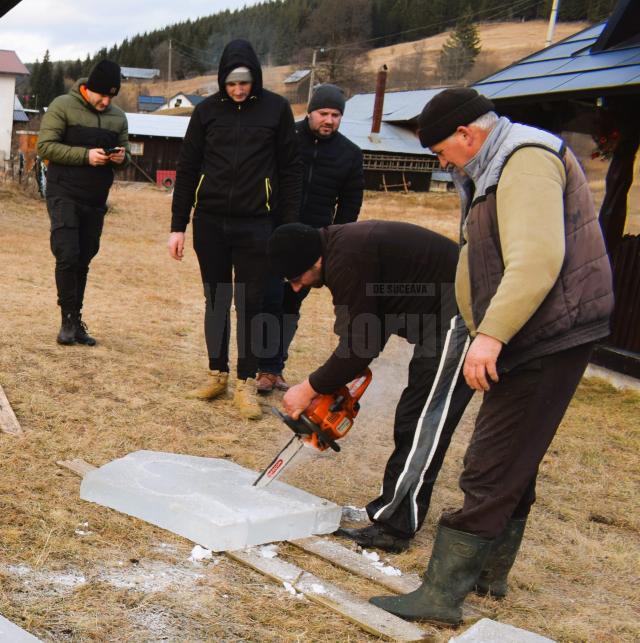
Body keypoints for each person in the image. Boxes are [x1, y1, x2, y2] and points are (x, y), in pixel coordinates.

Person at [370, 88, 614, 625]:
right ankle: (489, 573)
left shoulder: (523, 161)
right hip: (531, 329)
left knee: (491, 458)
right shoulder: (492, 164)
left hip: (546, 332)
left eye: (440, 150)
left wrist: (491, 334)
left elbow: (537, 259)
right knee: (515, 456)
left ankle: (441, 595)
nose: (440, 161)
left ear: (466, 134)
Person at [268, 220, 474, 553]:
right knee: (412, 416)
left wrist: (308, 387)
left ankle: (395, 527)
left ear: (313, 261)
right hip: (440, 316)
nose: (295, 288)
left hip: (461, 313)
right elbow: (359, 330)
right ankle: (390, 508)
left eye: (296, 279)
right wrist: (331, 382)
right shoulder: (339, 250)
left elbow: (360, 346)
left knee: (422, 421)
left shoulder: (347, 257)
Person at [168, 39, 302, 420]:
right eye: (231, 84)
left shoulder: (276, 110)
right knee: (216, 299)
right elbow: (188, 168)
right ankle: (217, 374)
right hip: (210, 222)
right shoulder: (206, 112)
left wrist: (288, 226)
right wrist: (178, 225)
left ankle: (245, 382)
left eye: (245, 83)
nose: (239, 90)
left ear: (255, 79)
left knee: (251, 302)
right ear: (221, 81)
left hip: (258, 224)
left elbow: (292, 171)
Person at [256, 84, 364, 394]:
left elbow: (349, 206)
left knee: (291, 303)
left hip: (313, 243)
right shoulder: (285, 139)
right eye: (323, 113)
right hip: (275, 234)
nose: (329, 120)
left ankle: (275, 367)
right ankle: (265, 367)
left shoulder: (350, 155)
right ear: (310, 112)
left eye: (336, 115)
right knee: (270, 299)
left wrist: (333, 246)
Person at [37, 59, 129, 346]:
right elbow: (45, 146)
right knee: (67, 252)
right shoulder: (62, 106)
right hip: (63, 192)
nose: (106, 101)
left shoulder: (118, 117)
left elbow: (125, 157)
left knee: (85, 256)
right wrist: (85, 156)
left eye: (111, 96)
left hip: (95, 197)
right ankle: (66, 320)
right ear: (88, 87)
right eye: (102, 94)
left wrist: (120, 158)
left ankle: (76, 321)